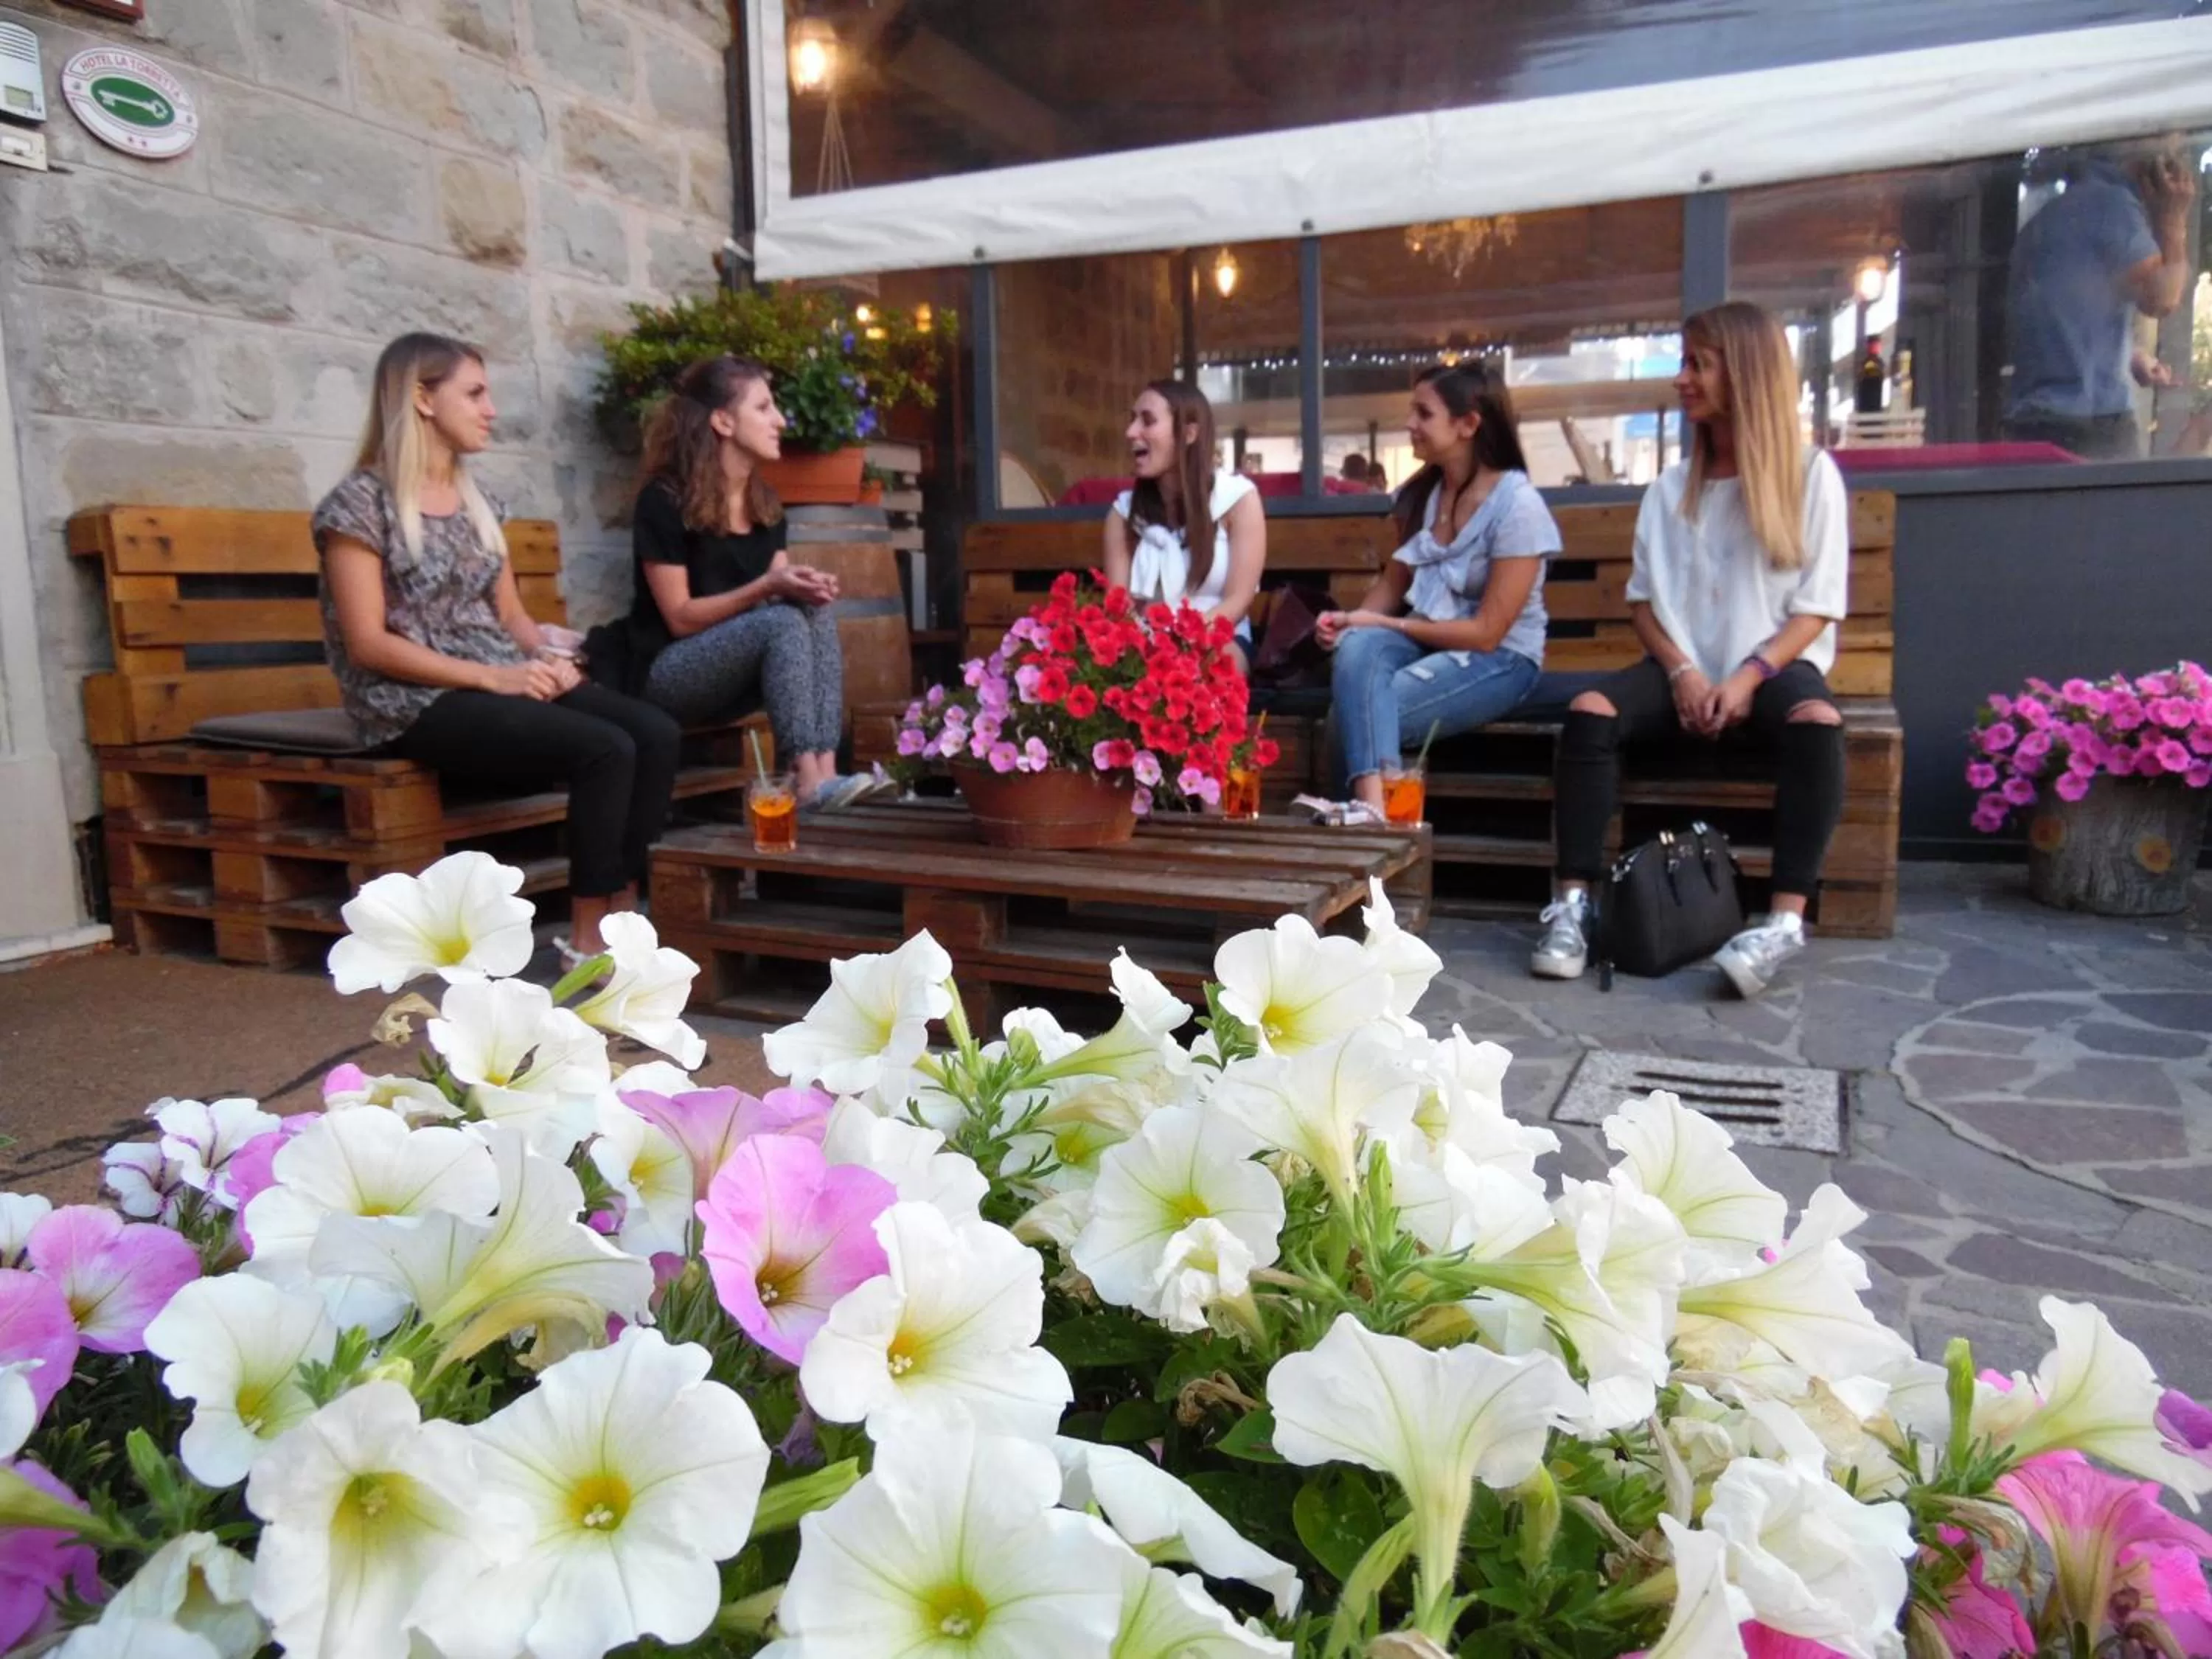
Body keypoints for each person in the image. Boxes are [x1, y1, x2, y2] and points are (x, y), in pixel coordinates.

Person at [315, 333, 680, 959]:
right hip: (409, 701)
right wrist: (495, 678)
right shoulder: (359, 504)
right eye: (475, 393)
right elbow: (368, 644)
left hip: (494, 679)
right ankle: (590, 936)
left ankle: (624, 914)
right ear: (422, 399)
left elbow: (510, 616)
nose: (490, 410)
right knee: (604, 748)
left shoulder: (478, 503)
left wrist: (547, 660)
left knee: (654, 731)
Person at [1532, 302, 1848, 998]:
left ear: (1746, 375)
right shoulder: (1672, 488)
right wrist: (1681, 670)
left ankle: (1783, 924)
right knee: (1588, 709)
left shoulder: (1811, 475)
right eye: (1685, 362)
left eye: (1697, 364)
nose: (1682, 379)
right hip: (1680, 666)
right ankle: (1574, 908)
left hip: (1773, 668)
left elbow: (1817, 607)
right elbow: (1644, 603)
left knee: (1818, 724)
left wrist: (1745, 680)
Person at [622, 355, 883, 813]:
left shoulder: (765, 502)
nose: (780, 420)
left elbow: (779, 592)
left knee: (809, 610)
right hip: (666, 673)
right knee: (781, 621)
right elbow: (680, 618)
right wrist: (766, 587)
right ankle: (804, 776)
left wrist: (803, 586)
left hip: (739, 671)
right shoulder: (663, 501)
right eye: (764, 408)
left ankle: (824, 770)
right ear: (723, 421)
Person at [1317, 361, 1556, 819]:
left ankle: (1368, 832)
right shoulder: (1428, 495)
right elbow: (1393, 583)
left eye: (1423, 414)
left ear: (1468, 424)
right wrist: (1347, 627)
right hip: (1425, 643)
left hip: (1501, 659)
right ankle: (1374, 815)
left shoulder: (1518, 507)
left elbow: (1487, 633)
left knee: (1351, 717)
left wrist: (1381, 623)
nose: (1410, 424)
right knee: (1359, 651)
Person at [2003, 139, 2197, 459]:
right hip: (2087, 426)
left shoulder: (2051, 216)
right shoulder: (2112, 204)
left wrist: (2131, 356)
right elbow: (2162, 299)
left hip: (2031, 421)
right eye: (2175, 154)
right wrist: (2173, 220)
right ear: (2157, 170)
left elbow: (2069, 310)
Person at [1103, 380, 1267, 666]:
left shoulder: (1238, 499)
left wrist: (1183, 641)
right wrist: (1148, 647)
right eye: (1132, 420)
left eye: (1148, 421)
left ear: (1189, 433)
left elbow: (1239, 600)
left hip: (1218, 639)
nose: (1131, 433)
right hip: (1142, 645)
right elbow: (1118, 606)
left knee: (1213, 667)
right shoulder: (1123, 513)